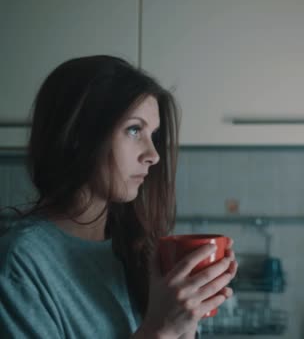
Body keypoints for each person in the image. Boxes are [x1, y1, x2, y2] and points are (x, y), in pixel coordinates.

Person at [0, 55, 238, 338]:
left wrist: (184, 325)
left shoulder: (136, 246)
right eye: (134, 130)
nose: (153, 155)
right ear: (79, 134)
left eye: (154, 134)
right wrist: (160, 330)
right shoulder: (20, 262)